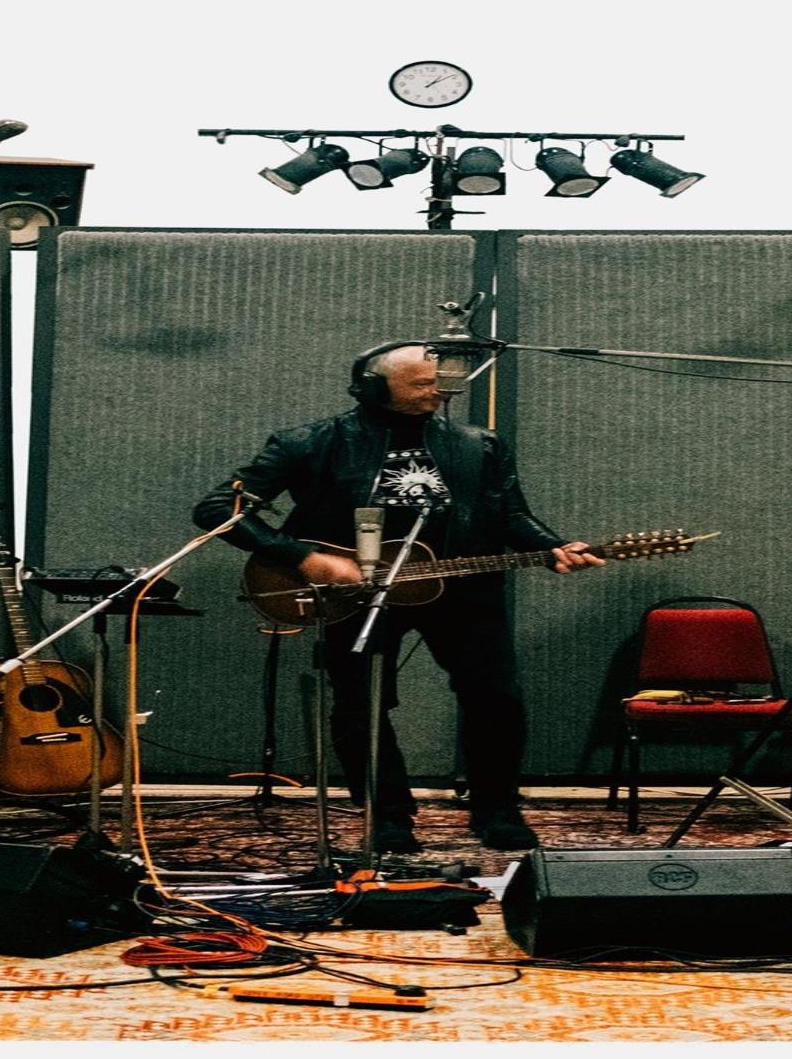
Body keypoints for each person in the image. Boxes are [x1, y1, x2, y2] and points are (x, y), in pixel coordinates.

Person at [193, 343, 603, 853]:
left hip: (464, 589)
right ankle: (387, 814)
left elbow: (510, 515)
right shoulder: (309, 444)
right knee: (360, 705)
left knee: (496, 698)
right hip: (358, 592)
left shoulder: (480, 445)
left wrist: (552, 546)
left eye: (438, 382)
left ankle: (496, 809)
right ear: (371, 387)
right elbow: (216, 509)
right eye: (421, 384)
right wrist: (303, 557)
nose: (438, 391)